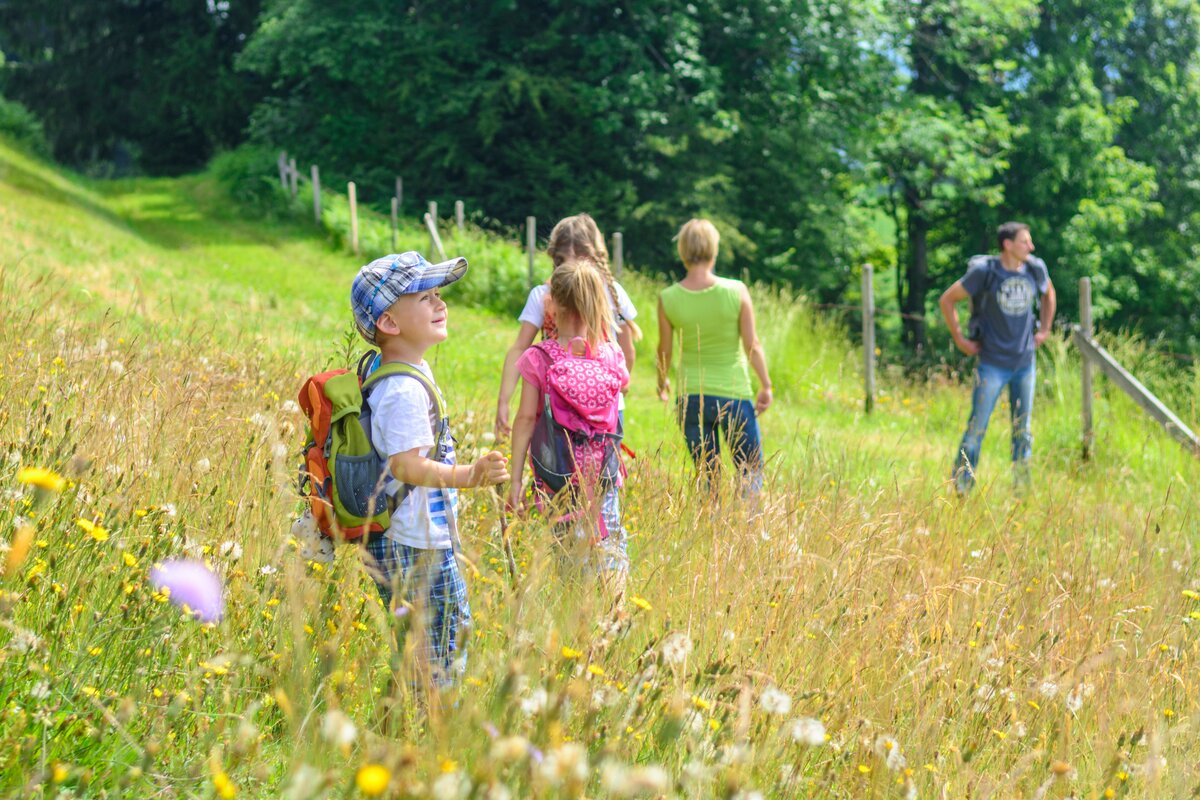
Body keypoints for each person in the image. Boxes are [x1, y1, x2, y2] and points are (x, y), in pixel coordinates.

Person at [350, 251, 509, 688]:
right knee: (443, 649)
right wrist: (468, 476)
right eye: (426, 297)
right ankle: (434, 734)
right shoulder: (401, 387)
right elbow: (404, 465)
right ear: (389, 323)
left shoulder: (407, 369)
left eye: (439, 294)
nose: (441, 304)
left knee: (422, 652)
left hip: (410, 537)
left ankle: (411, 728)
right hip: (414, 544)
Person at [508, 259, 631, 599]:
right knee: (609, 544)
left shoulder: (539, 358)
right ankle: (616, 615)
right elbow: (624, 387)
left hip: (555, 477)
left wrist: (516, 479)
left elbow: (525, 420)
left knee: (566, 554)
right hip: (603, 476)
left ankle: (575, 621)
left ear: (554, 304)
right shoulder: (612, 355)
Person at [494, 213, 638, 440]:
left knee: (553, 469)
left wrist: (505, 399)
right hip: (603, 409)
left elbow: (519, 348)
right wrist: (616, 387)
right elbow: (627, 352)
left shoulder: (543, 295)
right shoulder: (613, 293)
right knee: (604, 471)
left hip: (555, 407)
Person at [657, 218, 772, 497]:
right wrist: (766, 384)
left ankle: (711, 532)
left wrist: (662, 382)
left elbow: (665, 350)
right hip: (733, 393)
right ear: (714, 249)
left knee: (707, 477)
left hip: (691, 397)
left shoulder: (668, 297)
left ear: (682, 251)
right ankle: (751, 532)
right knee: (750, 471)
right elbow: (752, 344)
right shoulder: (736, 291)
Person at [939, 221, 1056, 494]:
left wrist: (1045, 329)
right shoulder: (985, 272)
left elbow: (1049, 293)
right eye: (1025, 242)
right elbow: (947, 299)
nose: (1031, 247)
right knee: (977, 429)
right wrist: (959, 338)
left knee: (1022, 431)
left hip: (1025, 363)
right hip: (992, 363)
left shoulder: (1034, 268)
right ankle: (961, 487)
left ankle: (1021, 491)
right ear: (1008, 244)